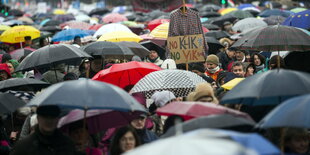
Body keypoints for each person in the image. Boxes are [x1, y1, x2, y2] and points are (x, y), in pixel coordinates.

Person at [10, 105, 77, 155]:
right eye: (45, 117)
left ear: (57, 119)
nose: (49, 121)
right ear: (38, 118)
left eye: (52, 117)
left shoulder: (67, 143)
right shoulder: (24, 146)